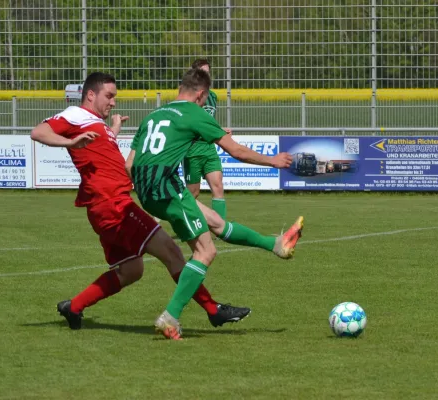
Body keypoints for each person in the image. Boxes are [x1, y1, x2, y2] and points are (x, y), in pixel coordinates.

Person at [30, 72, 251, 331]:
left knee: (131, 270)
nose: (113, 102)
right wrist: (70, 141)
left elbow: (101, 154)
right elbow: (38, 132)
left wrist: (112, 130)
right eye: (109, 96)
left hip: (103, 206)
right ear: (91, 94)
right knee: (172, 252)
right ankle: (213, 310)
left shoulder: (94, 123)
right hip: (114, 205)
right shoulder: (75, 115)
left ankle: (74, 306)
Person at [126, 68, 304, 340]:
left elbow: (129, 164)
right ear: (200, 95)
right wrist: (273, 161)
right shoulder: (194, 112)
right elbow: (236, 150)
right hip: (168, 188)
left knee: (217, 223)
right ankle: (170, 315)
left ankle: (275, 245)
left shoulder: (153, 116)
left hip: (148, 190)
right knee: (206, 252)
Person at [183, 59, 227, 219]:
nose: (207, 75)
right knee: (192, 193)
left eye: (208, 72)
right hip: (192, 149)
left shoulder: (213, 96)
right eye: (204, 72)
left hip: (208, 147)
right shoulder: (188, 97)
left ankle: (220, 229)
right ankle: (184, 224)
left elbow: (208, 120)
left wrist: (219, 129)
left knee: (218, 186)